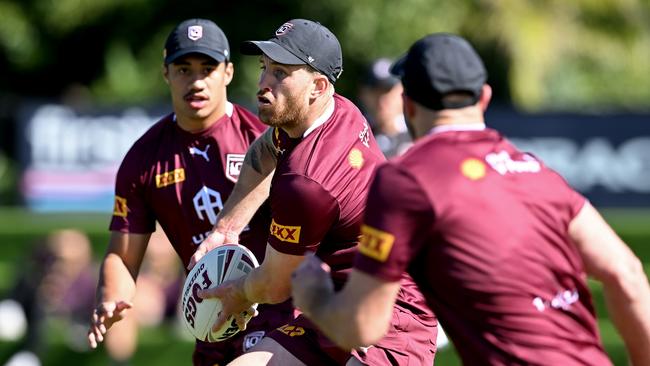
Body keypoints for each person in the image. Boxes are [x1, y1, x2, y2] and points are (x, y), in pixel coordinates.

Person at [290, 33, 650, 365]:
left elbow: (363, 327)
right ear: (485, 97)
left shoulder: (403, 179)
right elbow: (627, 274)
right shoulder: (537, 172)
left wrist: (315, 296)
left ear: (408, 105)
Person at [193, 19, 438, 366]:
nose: (263, 84)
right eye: (264, 68)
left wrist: (237, 293)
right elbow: (264, 151)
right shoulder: (330, 110)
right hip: (335, 302)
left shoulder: (307, 182)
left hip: (390, 317)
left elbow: (275, 285)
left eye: (280, 74)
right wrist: (227, 227)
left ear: (318, 86)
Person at [86, 18, 294, 365]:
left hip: (278, 311)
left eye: (207, 68)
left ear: (227, 73)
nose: (195, 81)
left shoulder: (264, 138)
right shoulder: (143, 160)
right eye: (183, 69)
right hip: (209, 319)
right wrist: (111, 295)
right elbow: (123, 254)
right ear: (166, 74)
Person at [357, 58, 412, 157]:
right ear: (363, 94)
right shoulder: (353, 136)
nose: (381, 100)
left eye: (387, 91)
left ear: (402, 91)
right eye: (375, 92)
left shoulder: (419, 135)